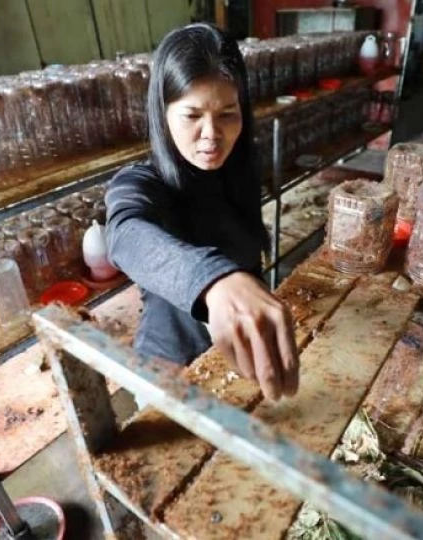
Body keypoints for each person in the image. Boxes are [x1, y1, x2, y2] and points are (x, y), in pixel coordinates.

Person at [104, 24, 299, 401]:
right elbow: (125, 233)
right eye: (192, 116)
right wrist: (215, 280)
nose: (212, 134)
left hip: (229, 362)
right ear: (163, 114)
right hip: (170, 372)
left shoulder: (236, 173)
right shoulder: (142, 182)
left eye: (227, 114)